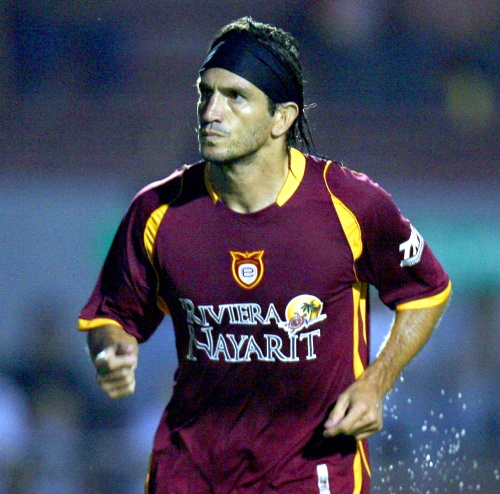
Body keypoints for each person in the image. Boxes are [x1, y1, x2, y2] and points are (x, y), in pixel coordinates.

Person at [78, 17, 451, 494]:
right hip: (190, 473)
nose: (211, 111)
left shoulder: (351, 206)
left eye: (235, 96)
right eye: (206, 93)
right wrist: (110, 348)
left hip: (310, 470)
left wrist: (376, 382)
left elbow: (427, 290)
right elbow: (113, 315)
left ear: (282, 118)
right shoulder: (157, 211)